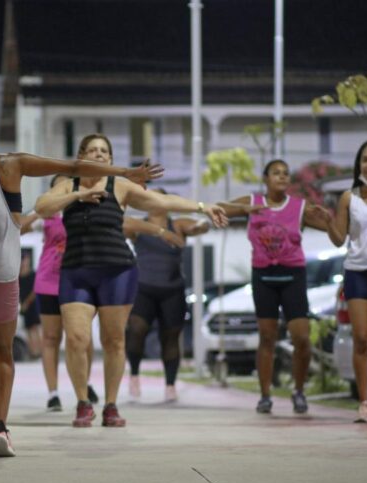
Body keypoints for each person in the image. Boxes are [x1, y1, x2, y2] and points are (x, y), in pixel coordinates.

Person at [0, 86, 164, 459]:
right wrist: (124, 171)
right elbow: (74, 168)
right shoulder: (13, 164)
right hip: (1, 274)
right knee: (2, 352)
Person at [35, 133, 227, 428]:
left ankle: (111, 405)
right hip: (76, 271)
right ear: (81, 156)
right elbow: (43, 207)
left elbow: (162, 200)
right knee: (76, 339)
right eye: (93, 150)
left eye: (104, 151)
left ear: (110, 160)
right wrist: (78, 196)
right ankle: (83, 402)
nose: (99, 155)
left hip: (117, 271)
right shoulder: (66, 185)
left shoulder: (120, 186)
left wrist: (203, 206)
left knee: (113, 341)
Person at [220, 159, 331, 415]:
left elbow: (332, 228)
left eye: (285, 174)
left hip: (293, 275)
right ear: (265, 179)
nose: (281, 177)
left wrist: (331, 216)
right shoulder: (253, 202)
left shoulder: (299, 207)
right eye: (275, 173)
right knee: (267, 337)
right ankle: (265, 395)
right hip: (264, 277)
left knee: (301, 338)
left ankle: (299, 391)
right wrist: (235, 209)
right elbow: (222, 208)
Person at [315, 140, 367, 422]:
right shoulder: (349, 197)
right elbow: (338, 240)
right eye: (366, 159)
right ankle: (365, 401)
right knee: (361, 339)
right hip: (357, 271)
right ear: (359, 164)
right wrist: (327, 221)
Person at [123, 190, 209, 403]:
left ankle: (170, 384)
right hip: (143, 288)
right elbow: (121, 226)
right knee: (136, 331)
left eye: (161, 198)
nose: (156, 202)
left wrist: (202, 226)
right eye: (151, 199)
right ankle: (134, 373)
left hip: (172, 289)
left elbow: (199, 226)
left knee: (170, 338)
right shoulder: (138, 226)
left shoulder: (178, 225)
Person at [20, 195, 100, 412]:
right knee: (51, 338)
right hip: (49, 282)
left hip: (78, 281)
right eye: (59, 188)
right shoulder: (47, 218)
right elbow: (18, 228)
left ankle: (84, 385)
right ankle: (53, 393)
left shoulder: (85, 212)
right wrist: (40, 210)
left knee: (82, 337)